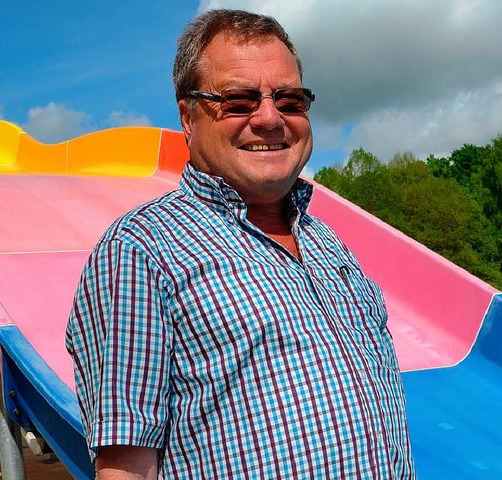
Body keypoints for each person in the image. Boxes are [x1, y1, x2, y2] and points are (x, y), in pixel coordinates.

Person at [66, 8, 416, 479]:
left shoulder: (325, 240)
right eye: (238, 101)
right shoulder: (141, 251)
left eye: (290, 100)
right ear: (188, 118)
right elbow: (127, 468)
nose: (270, 118)